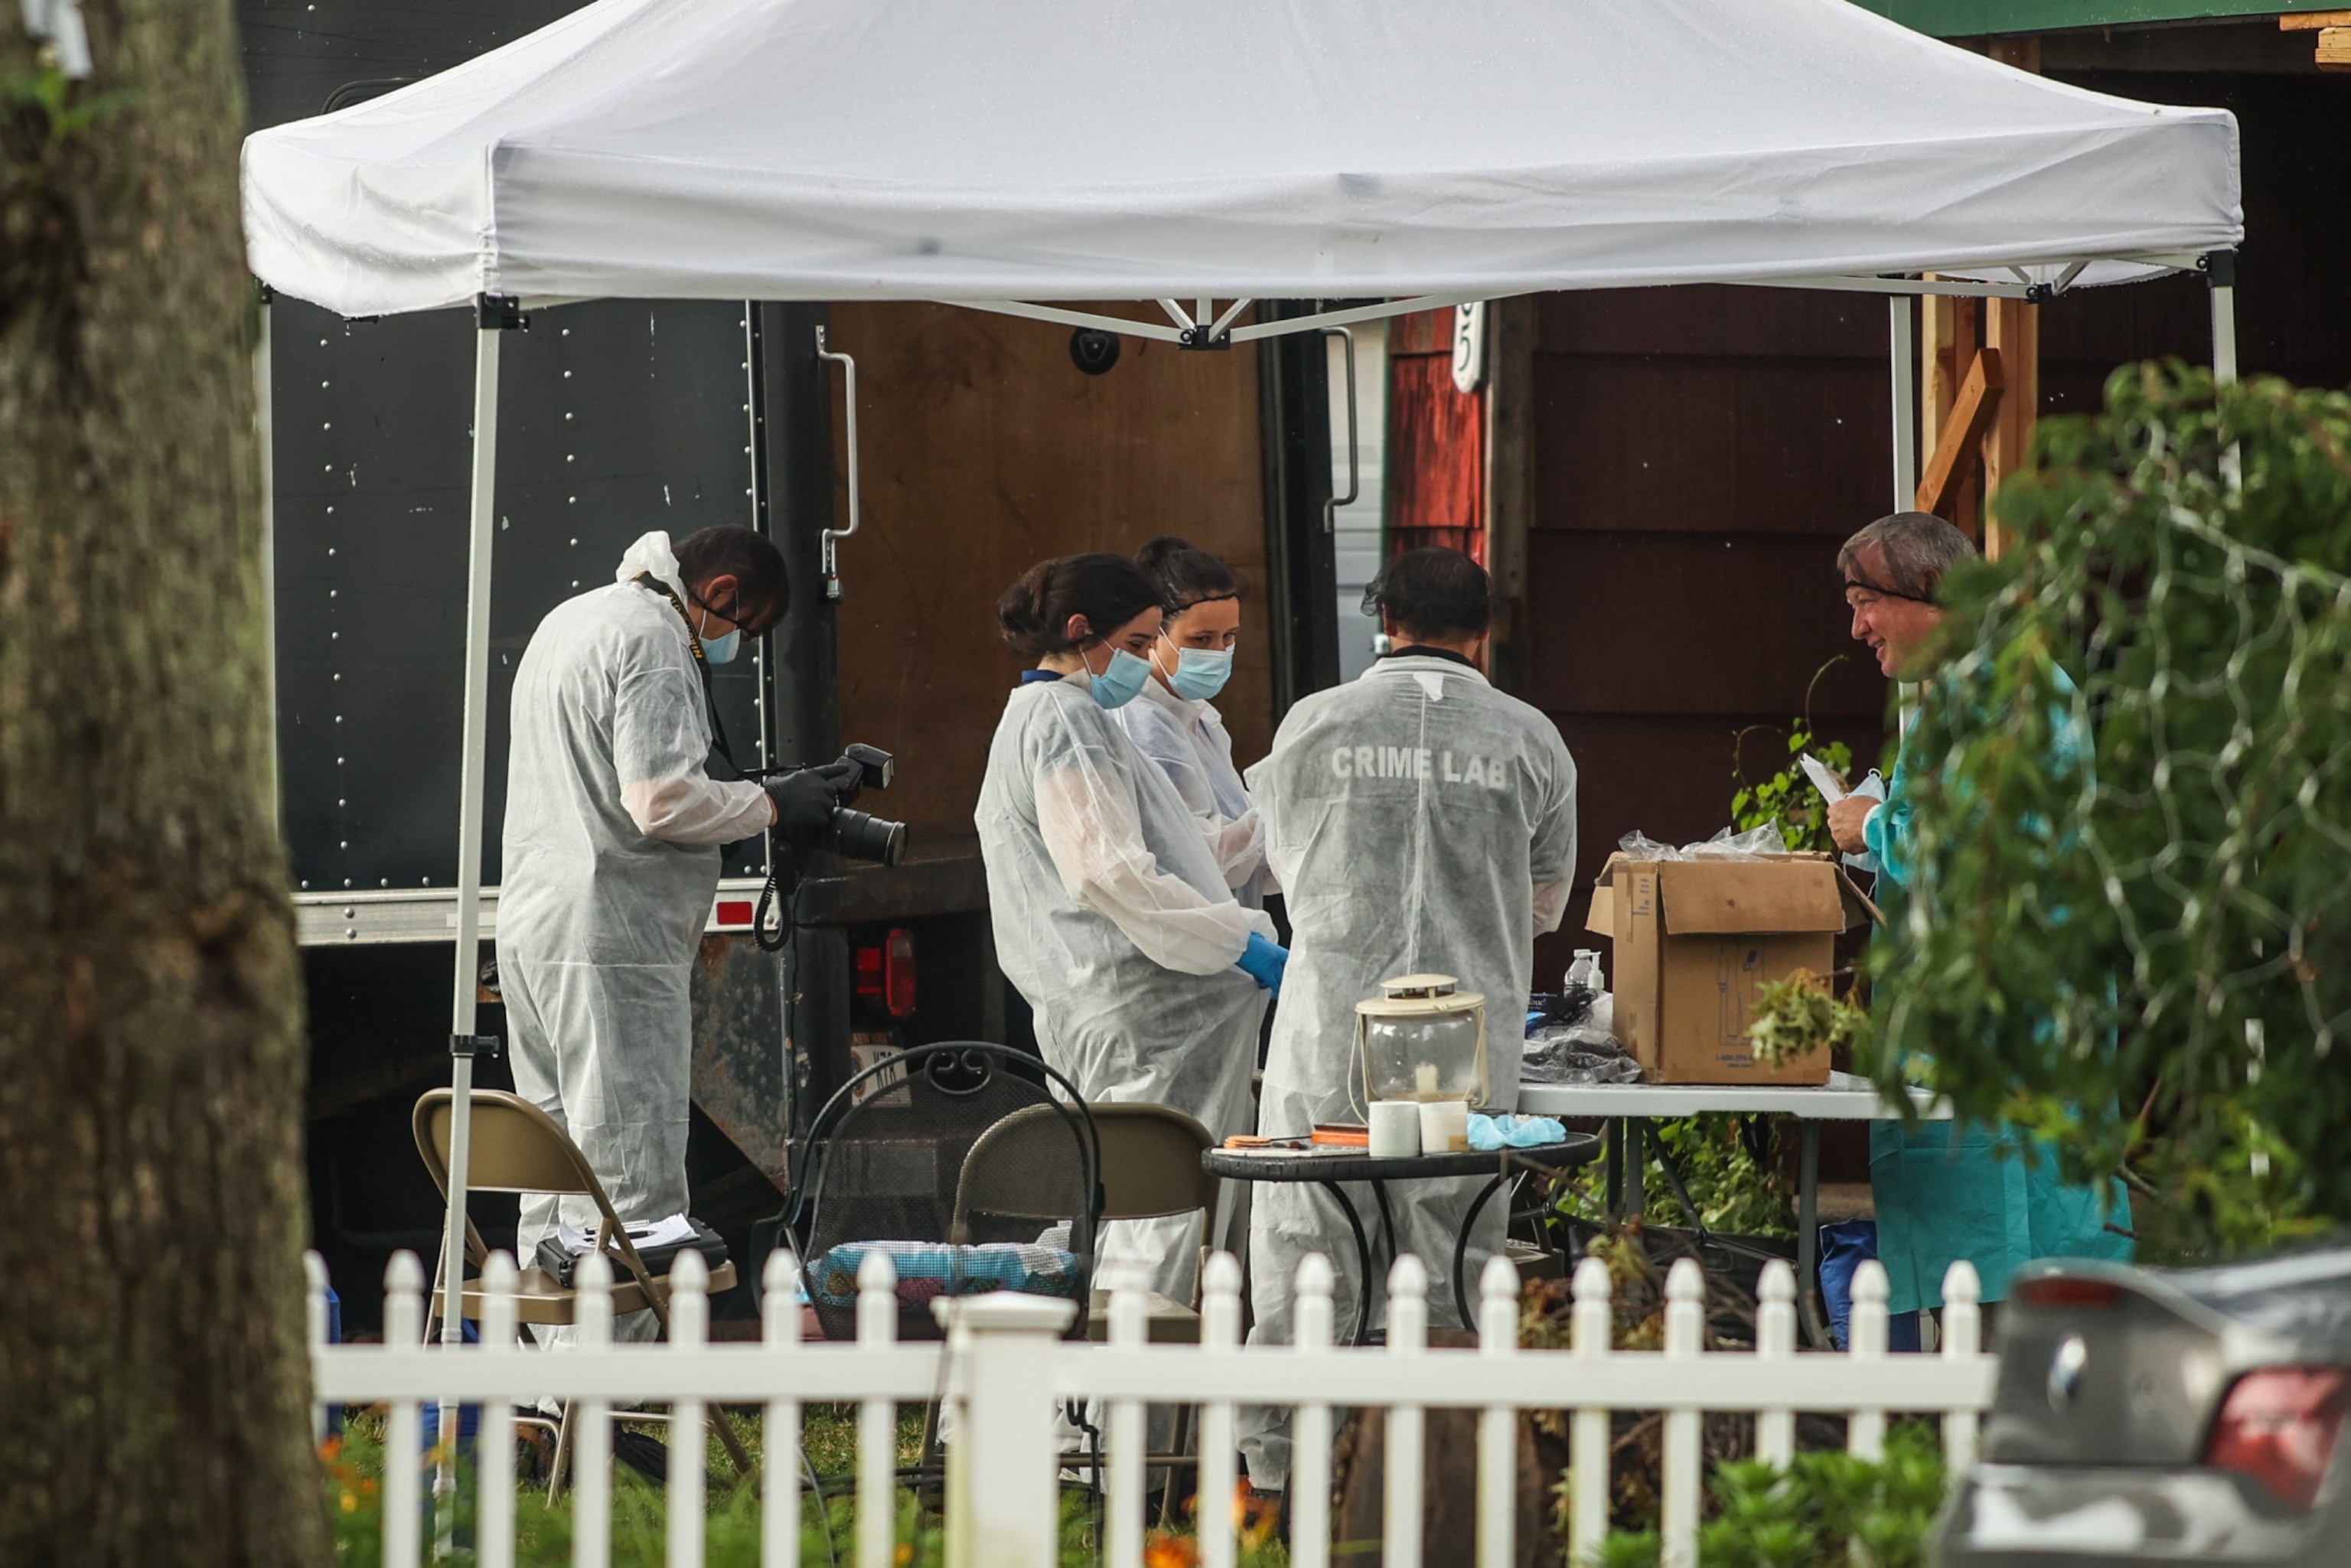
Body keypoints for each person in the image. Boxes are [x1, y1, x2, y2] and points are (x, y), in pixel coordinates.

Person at [1237, 548, 1577, 1490]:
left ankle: (1285, 1474)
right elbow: (1545, 902)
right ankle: (1443, 1473)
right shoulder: (1532, 738)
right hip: (1469, 1026)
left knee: (1312, 1233)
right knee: (1455, 1236)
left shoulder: (1314, 723)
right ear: (1485, 625)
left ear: (1382, 613)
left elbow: (1271, 864)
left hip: (1329, 1017)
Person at [499, 525, 851, 1339]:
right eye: (743, 629)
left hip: (535, 929)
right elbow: (658, 800)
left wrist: (765, 790)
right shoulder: (657, 642)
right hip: (612, 940)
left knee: (555, 1182)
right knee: (632, 1185)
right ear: (721, 594)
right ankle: (612, 1406)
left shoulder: (572, 620)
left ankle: (548, 1400)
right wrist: (770, 804)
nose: (734, 645)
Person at [1828, 510, 2131, 1322]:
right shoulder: (1964, 693)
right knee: (1976, 1303)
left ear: (1929, 590)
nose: (1857, 627)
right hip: (1971, 1045)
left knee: (2023, 1310)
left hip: (2016, 1050)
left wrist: (1875, 826)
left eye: (1865, 601)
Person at [977, 553, 1287, 1308]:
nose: (1150, 662)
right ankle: (1128, 1410)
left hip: (1137, 1006)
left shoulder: (1062, 714)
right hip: (1148, 1010)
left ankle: (1100, 1410)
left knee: (1133, 1208)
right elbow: (1107, 871)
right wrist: (1233, 940)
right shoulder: (1064, 720)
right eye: (1143, 643)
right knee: (1163, 1212)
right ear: (1085, 633)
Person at [1119, 536, 1269, 910]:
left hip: (1231, 932)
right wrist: (1286, 813)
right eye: (1201, 639)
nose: (1219, 652)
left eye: (1229, 637)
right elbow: (1194, 858)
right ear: (1153, 634)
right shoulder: (1142, 723)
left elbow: (1246, 853)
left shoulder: (1200, 717)